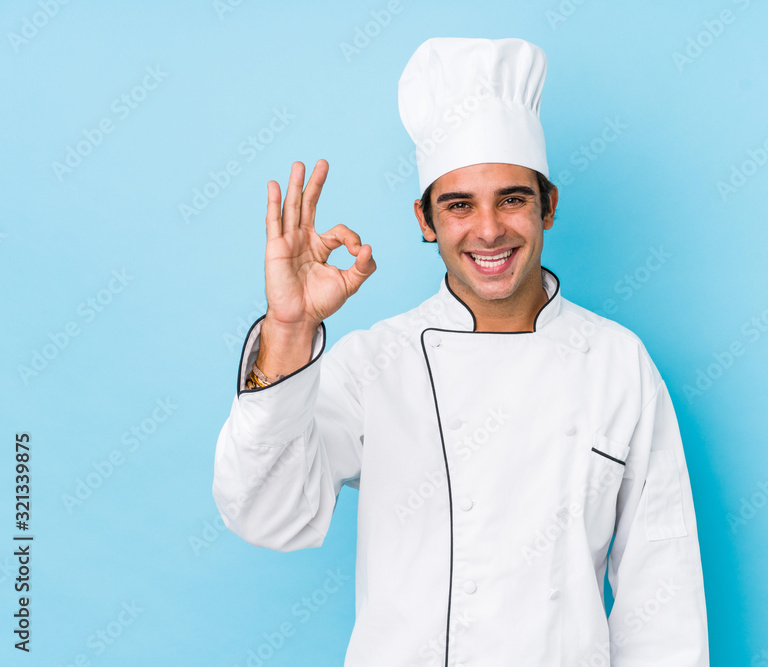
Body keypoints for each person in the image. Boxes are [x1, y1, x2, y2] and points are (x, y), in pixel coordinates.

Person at [213, 37, 709, 666]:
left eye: (512, 198)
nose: (490, 229)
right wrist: (288, 328)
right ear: (425, 220)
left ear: (548, 205)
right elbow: (266, 513)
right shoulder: (377, 363)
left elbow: (660, 599)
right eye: (458, 205)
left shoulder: (616, 363)